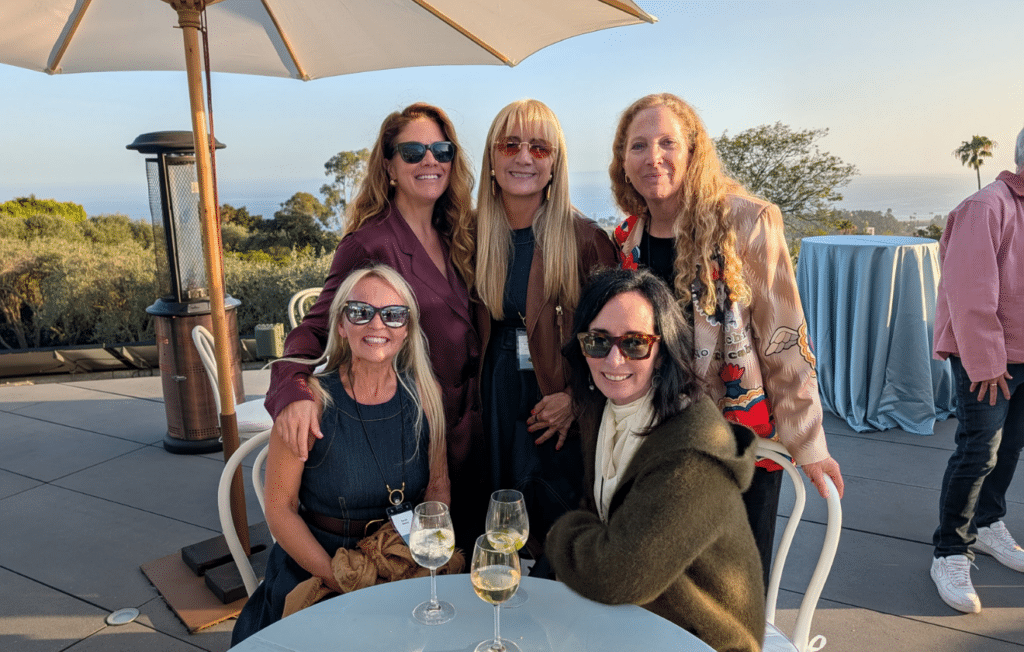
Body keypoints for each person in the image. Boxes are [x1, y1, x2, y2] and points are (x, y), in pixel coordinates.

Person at [607, 92, 844, 585]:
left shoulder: (746, 221)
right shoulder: (627, 238)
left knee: (731, 592)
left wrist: (808, 442)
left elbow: (784, 338)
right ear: (622, 162)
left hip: (735, 447)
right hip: (655, 447)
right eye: (638, 145)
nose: (653, 157)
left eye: (668, 143)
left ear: (693, 153)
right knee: (666, 589)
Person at [265, 103, 484, 546]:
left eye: (441, 150)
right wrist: (292, 391)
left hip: (471, 429)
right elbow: (315, 329)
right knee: (432, 554)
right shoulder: (369, 242)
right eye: (413, 151)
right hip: (415, 432)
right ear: (388, 166)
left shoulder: (458, 235)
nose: (430, 160)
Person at [546, 268, 765, 651]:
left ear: (663, 350)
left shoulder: (692, 453)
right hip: (636, 618)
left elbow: (617, 576)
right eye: (598, 341)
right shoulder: (607, 409)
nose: (613, 359)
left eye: (634, 343)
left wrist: (557, 535)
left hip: (700, 637)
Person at [232, 265, 449, 643]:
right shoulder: (308, 403)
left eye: (393, 314)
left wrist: (421, 557)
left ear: (407, 329)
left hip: (399, 561)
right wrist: (337, 576)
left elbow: (438, 486)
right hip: (320, 567)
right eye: (360, 312)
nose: (377, 324)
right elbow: (280, 509)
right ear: (341, 325)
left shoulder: (426, 396)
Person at [474, 99, 618, 558]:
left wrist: (578, 398)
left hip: (552, 403)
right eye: (510, 145)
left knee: (555, 537)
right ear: (492, 157)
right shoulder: (469, 237)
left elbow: (617, 340)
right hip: (491, 399)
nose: (524, 158)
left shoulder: (586, 239)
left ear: (555, 163)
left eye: (539, 148)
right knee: (493, 531)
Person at [929, 125, 1024, 614]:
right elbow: (969, 293)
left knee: (1009, 448)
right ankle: (950, 550)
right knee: (978, 452)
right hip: (987, 358)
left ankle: (987, 524)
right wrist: (986, 363)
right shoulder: (986, 207)